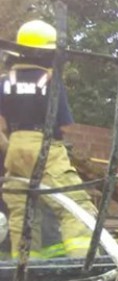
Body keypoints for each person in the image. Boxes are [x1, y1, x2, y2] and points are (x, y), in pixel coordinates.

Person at [0, 19, 96, 258]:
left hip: (14, 148)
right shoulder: (51, 80)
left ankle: (25, 275)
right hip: (45, 148)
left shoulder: (5, 81)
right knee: (75, 206)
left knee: (23, 215)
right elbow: (63, 123)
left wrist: (11, 144)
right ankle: (81, 266)